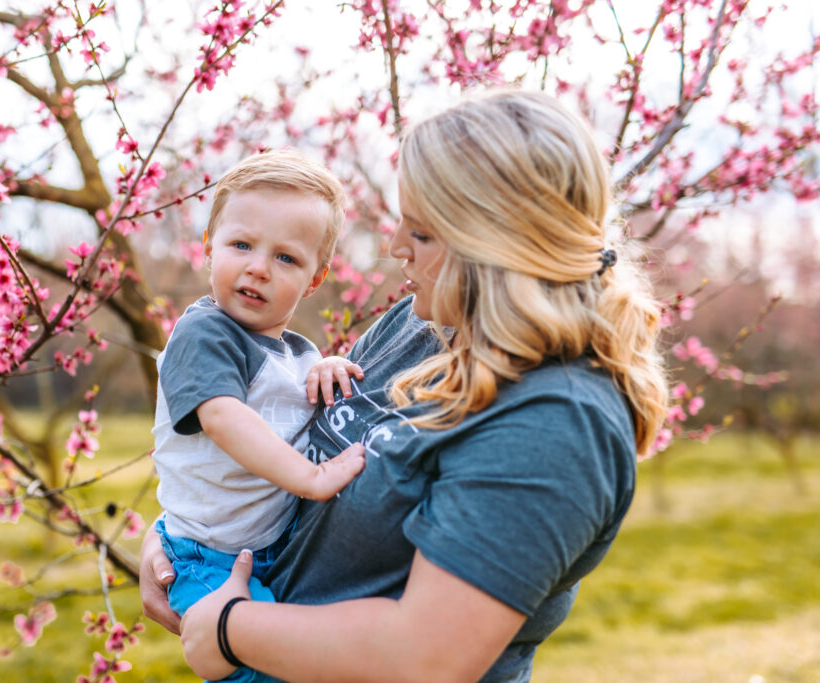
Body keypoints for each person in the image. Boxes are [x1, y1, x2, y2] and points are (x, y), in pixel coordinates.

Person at [141, 89, 669, 682]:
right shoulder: (423, 322)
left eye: (419, 232)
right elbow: (262, 443)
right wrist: (179, 543)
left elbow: (427, 657)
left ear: (491, 242)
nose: (394, 249)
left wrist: (227, 627)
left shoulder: (557, 421)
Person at [151, 151, 367, 682]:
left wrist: (332, 364)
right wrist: (311, 479)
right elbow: (223, 417)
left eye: (285, 259)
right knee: (259, 673)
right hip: (205, 555)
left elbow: (302, 388)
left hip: (271, 549)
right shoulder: (204, 334)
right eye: (241, 245)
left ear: (314, 281)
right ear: (208, 247)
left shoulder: (299, 353)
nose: (257, 268)